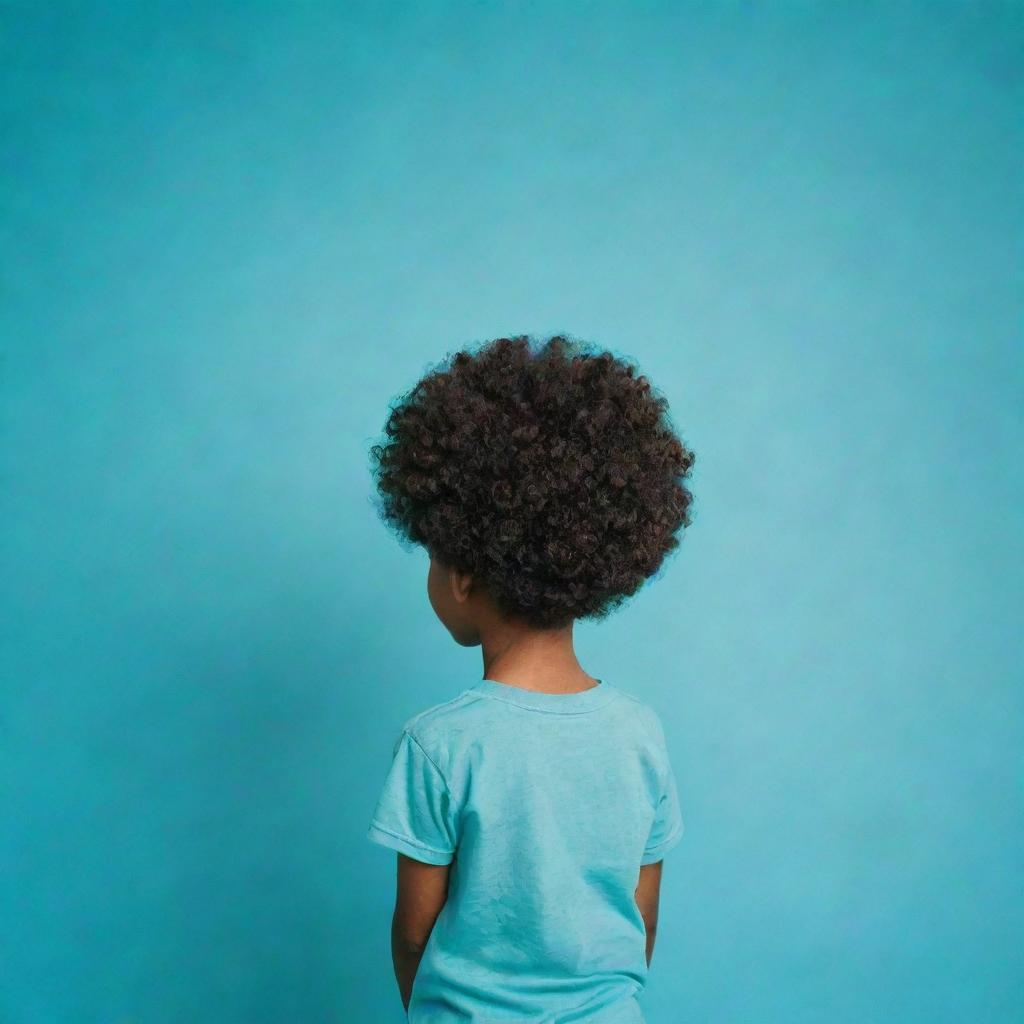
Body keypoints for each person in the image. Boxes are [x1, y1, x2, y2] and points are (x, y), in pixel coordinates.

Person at [366, 334, 696, 1022]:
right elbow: (643, 923)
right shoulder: (640, 734)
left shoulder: (439, 744)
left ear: (460, 575)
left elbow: (412, 935)